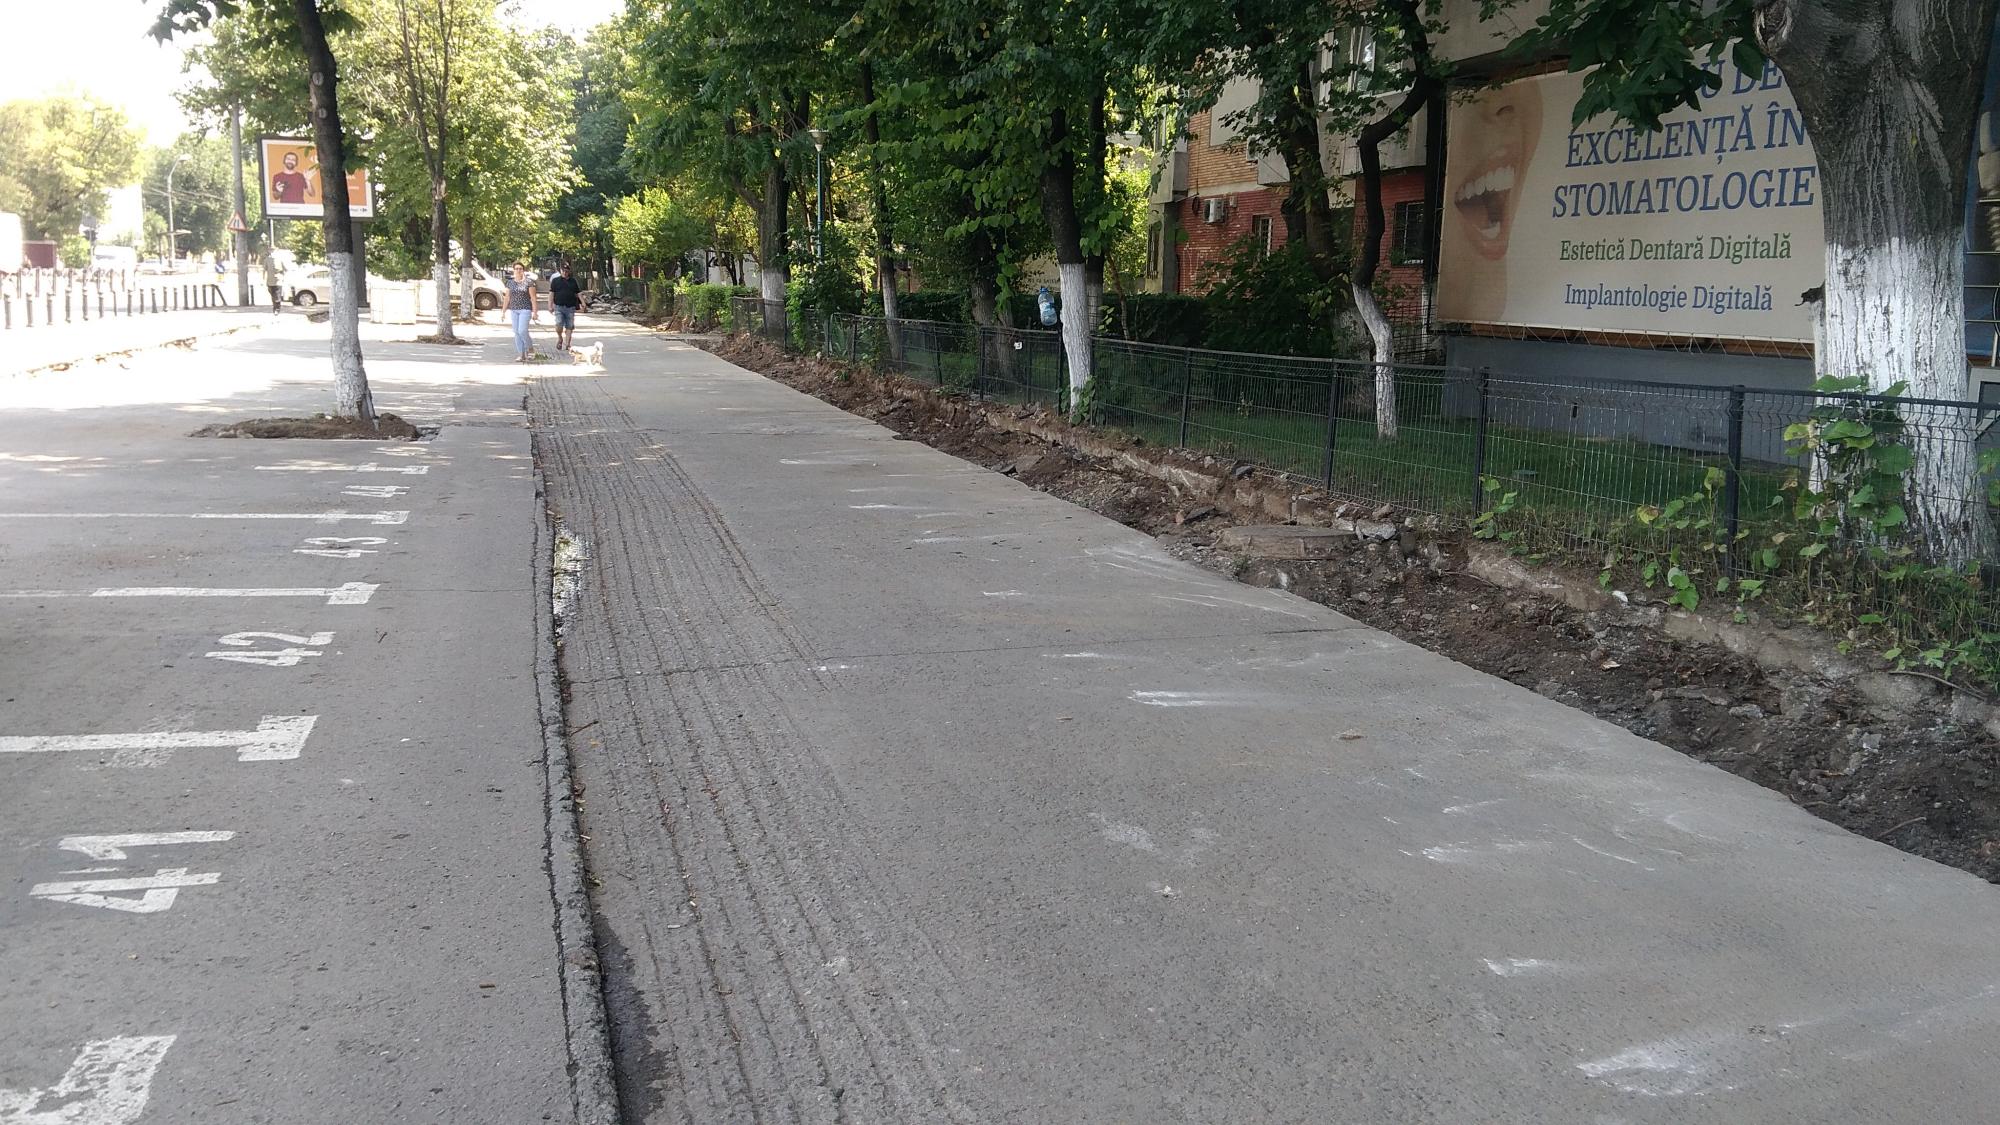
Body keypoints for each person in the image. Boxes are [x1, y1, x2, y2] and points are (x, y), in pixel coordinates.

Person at [505, 263, 540, 361]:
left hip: (525, 309)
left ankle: (530, 348)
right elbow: (507, 297)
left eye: (520, 268)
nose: (518, 270)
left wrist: (535, 312)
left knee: (522, 331)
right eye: (516, 269)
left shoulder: (529, 282)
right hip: (514, 309)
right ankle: (521, 354)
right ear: (513, 270)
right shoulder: (510, 283)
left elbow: (533, 298)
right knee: (516, 332)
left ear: (523, 270)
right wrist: (503, 311)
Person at [548, 263, 584, 350]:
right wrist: (550, 305)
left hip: (570, 307)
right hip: (559, 307)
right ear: (560, 271)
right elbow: (551, 293)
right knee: (559, 324)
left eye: (566, 271)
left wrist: (583, 302)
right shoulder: (555, 281)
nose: (565, 273)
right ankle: (560, 338)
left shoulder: (573, 281)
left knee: (570, 326)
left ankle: (567, 344)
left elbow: (578, 292)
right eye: (563, 271)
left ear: (569, 272)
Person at [261, 247, 283, 314]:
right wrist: (262, 280)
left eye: (273, 250)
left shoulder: (280, 259)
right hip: (270, 281)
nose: (272, 251)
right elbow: (264, 270)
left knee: (277, 295)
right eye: (270, 250)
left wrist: (283, 277)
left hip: (278, 281)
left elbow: (285, 269)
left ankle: (277, 309)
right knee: (273, 296)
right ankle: (275, 307)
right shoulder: (267, 260)